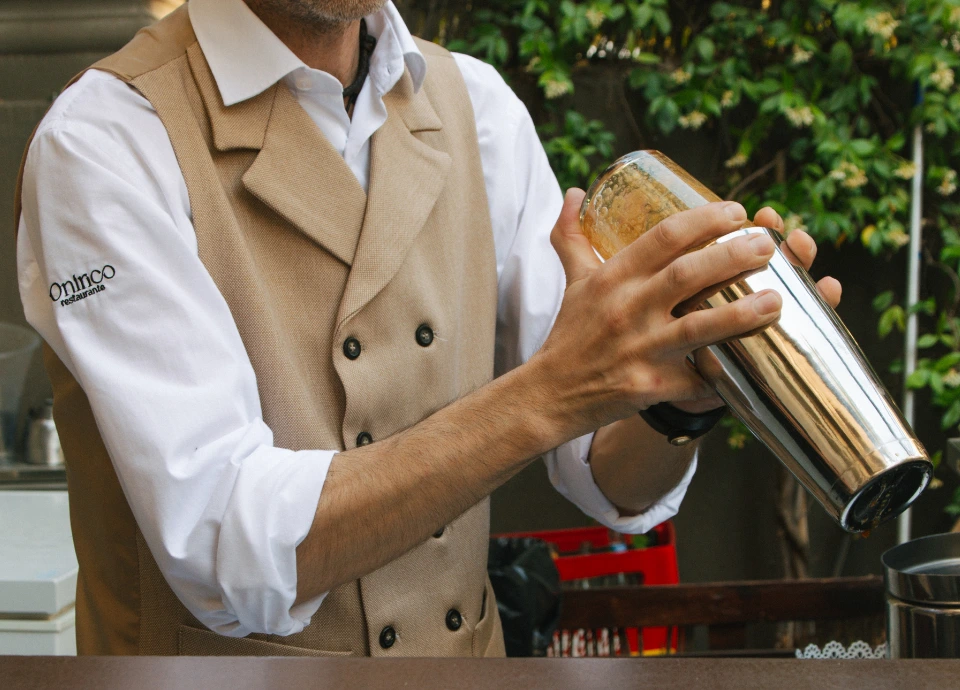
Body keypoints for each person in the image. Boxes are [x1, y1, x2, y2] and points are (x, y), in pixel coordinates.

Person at [15, 0, 841, 657]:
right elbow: (225, 549)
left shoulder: (477, 109)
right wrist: (552, 392)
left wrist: (676, 395)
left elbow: (605, 477)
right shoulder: (108, 140)